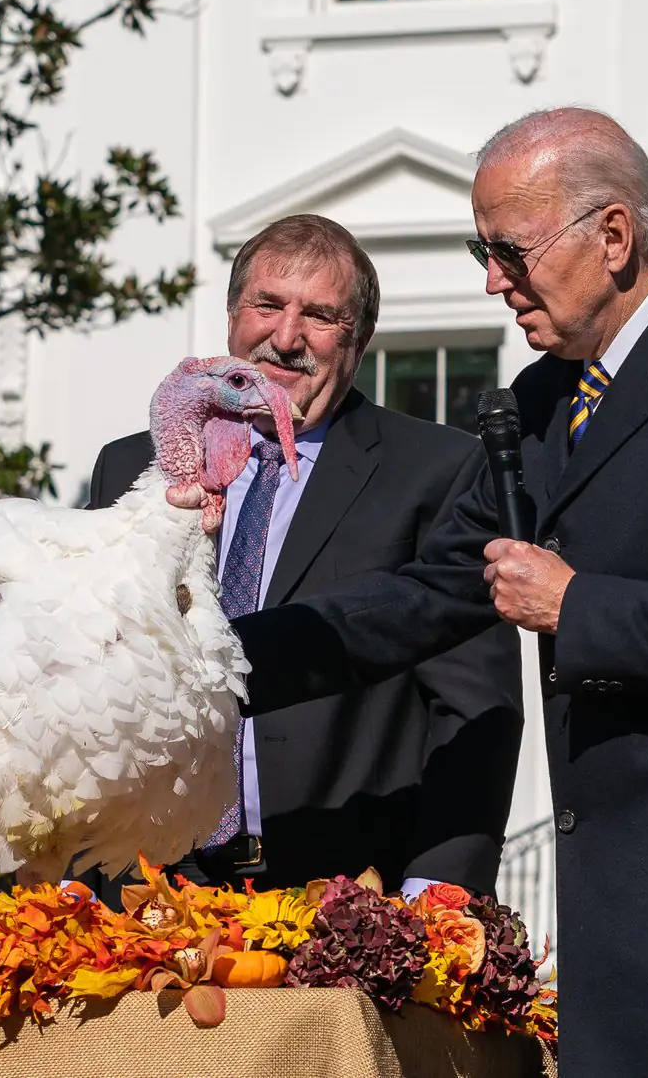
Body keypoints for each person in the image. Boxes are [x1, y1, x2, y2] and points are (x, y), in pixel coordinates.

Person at [228, 112, 648, 1077]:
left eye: (508, 249)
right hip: (612, 924)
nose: (492, 279)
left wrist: (580, 607)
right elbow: (423, 595)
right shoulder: (541, 403)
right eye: (479, 248)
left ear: (613, 237)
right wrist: (216, 661)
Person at [87, 215, 523, 894]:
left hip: (348, 896)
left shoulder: (436, 472)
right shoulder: (129, 468)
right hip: (151, 890)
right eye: (267, 305)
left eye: (321, 316)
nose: (286, 338)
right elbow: (91, 687)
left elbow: (474, 708)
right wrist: (81, 875)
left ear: (362, 339)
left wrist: (435, 895)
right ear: (234, 313)